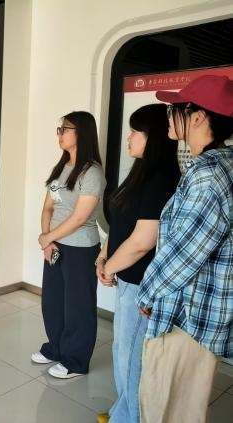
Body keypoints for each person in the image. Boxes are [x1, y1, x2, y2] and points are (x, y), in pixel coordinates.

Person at [136, 75, 233, 423]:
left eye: (174, 108)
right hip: (204, 313)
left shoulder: (208, 176)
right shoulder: (225, 164)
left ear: (198, 117)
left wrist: (147, 292)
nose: (169, 115)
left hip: (186, 318)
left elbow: (186, 254)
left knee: (165, 409)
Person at [95, 104, 180, 423]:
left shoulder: (162, 180)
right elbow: (120, 224)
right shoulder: (139, 175)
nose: (129, 138)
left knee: (133, 361)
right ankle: (123, 412)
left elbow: (143, 241)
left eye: (135, 132)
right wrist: (103, 256)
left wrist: (109, 267)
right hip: (126, 279)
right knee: (122, 350)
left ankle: (129, 418)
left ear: (153, 137)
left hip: (142, 285)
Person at [32, 111, 106, 379]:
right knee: (53, 302)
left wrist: (48, 237)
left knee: (78, 306)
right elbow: (48, 207)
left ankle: (75, 361)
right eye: (59, 129)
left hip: (80, 249)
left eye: (65, 129)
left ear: (81, 133)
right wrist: (47, 239)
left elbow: (79, 218)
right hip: (55, 246)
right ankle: (56, 348)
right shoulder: (61, 168)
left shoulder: (92, 172)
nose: (60, 134)